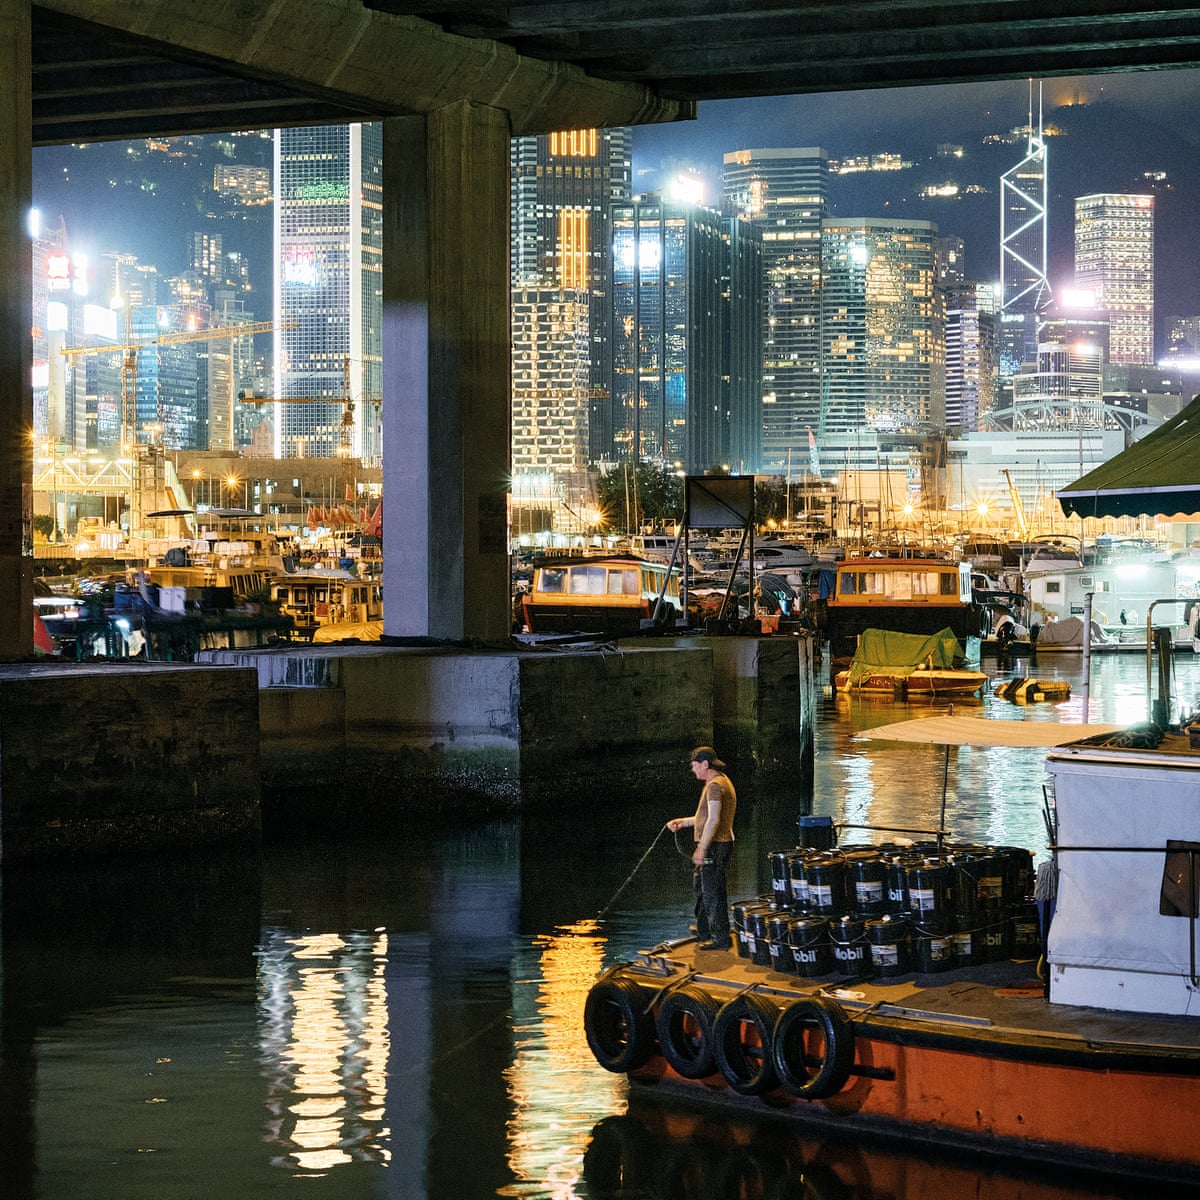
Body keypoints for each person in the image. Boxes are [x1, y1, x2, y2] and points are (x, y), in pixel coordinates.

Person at [668, 746, 737, 951]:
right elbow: (705, 817)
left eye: (695, 765)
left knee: (712, 892)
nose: (693, 770)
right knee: (703, 888)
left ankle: (720, 938)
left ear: (705, 764)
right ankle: (704, 930)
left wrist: (702, 848)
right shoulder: (718, 782)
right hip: (715, 845)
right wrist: (683, 822)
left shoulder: (715, 786)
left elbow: (714, 820)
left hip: (716, 846)